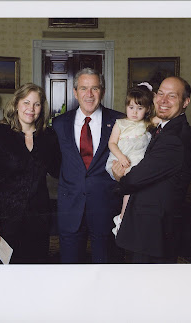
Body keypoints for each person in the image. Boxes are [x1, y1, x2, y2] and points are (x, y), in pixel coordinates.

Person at [112, 76, 191, 264]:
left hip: (153, 232)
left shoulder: (174, 139)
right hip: (153, 228)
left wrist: (120, 177)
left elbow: (134, 180)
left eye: (172, 96)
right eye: (160, 94)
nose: (163, 100)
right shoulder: (167, 129)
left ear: (185, 102)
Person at [0, 83, 61, 264]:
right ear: (16, 104)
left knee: (34, 269)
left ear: (42, 108)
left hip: (38, 218)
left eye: (37, 104)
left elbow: (58, 170)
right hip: (5, 219)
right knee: (4, 273)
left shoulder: (48, 137)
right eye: (26, 102)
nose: (31, 109)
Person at [52, 68, 125, 263]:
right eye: (84, 88)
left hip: (105, 206)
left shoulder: (120, 121)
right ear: (75, 92)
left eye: (95, 88)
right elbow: (54, 163)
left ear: (103, 91)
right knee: (70, 266)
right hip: (70, 206)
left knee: (106, 265)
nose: (89, 94)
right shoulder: (59, 124)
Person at [105, 82, 159, 236]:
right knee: (129, 189)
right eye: (131, 107)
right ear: (126, 107)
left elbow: (161, 116)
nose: (134, 112)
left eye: (140, 108)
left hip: (138, 160)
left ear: (147, 109)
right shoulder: (120, 123)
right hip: (123, 159)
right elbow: (112, 143)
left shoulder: (147, 123)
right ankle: (122, 218)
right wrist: (121, 157)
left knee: (139, 192)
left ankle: (129, 220)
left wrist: (153, 98)